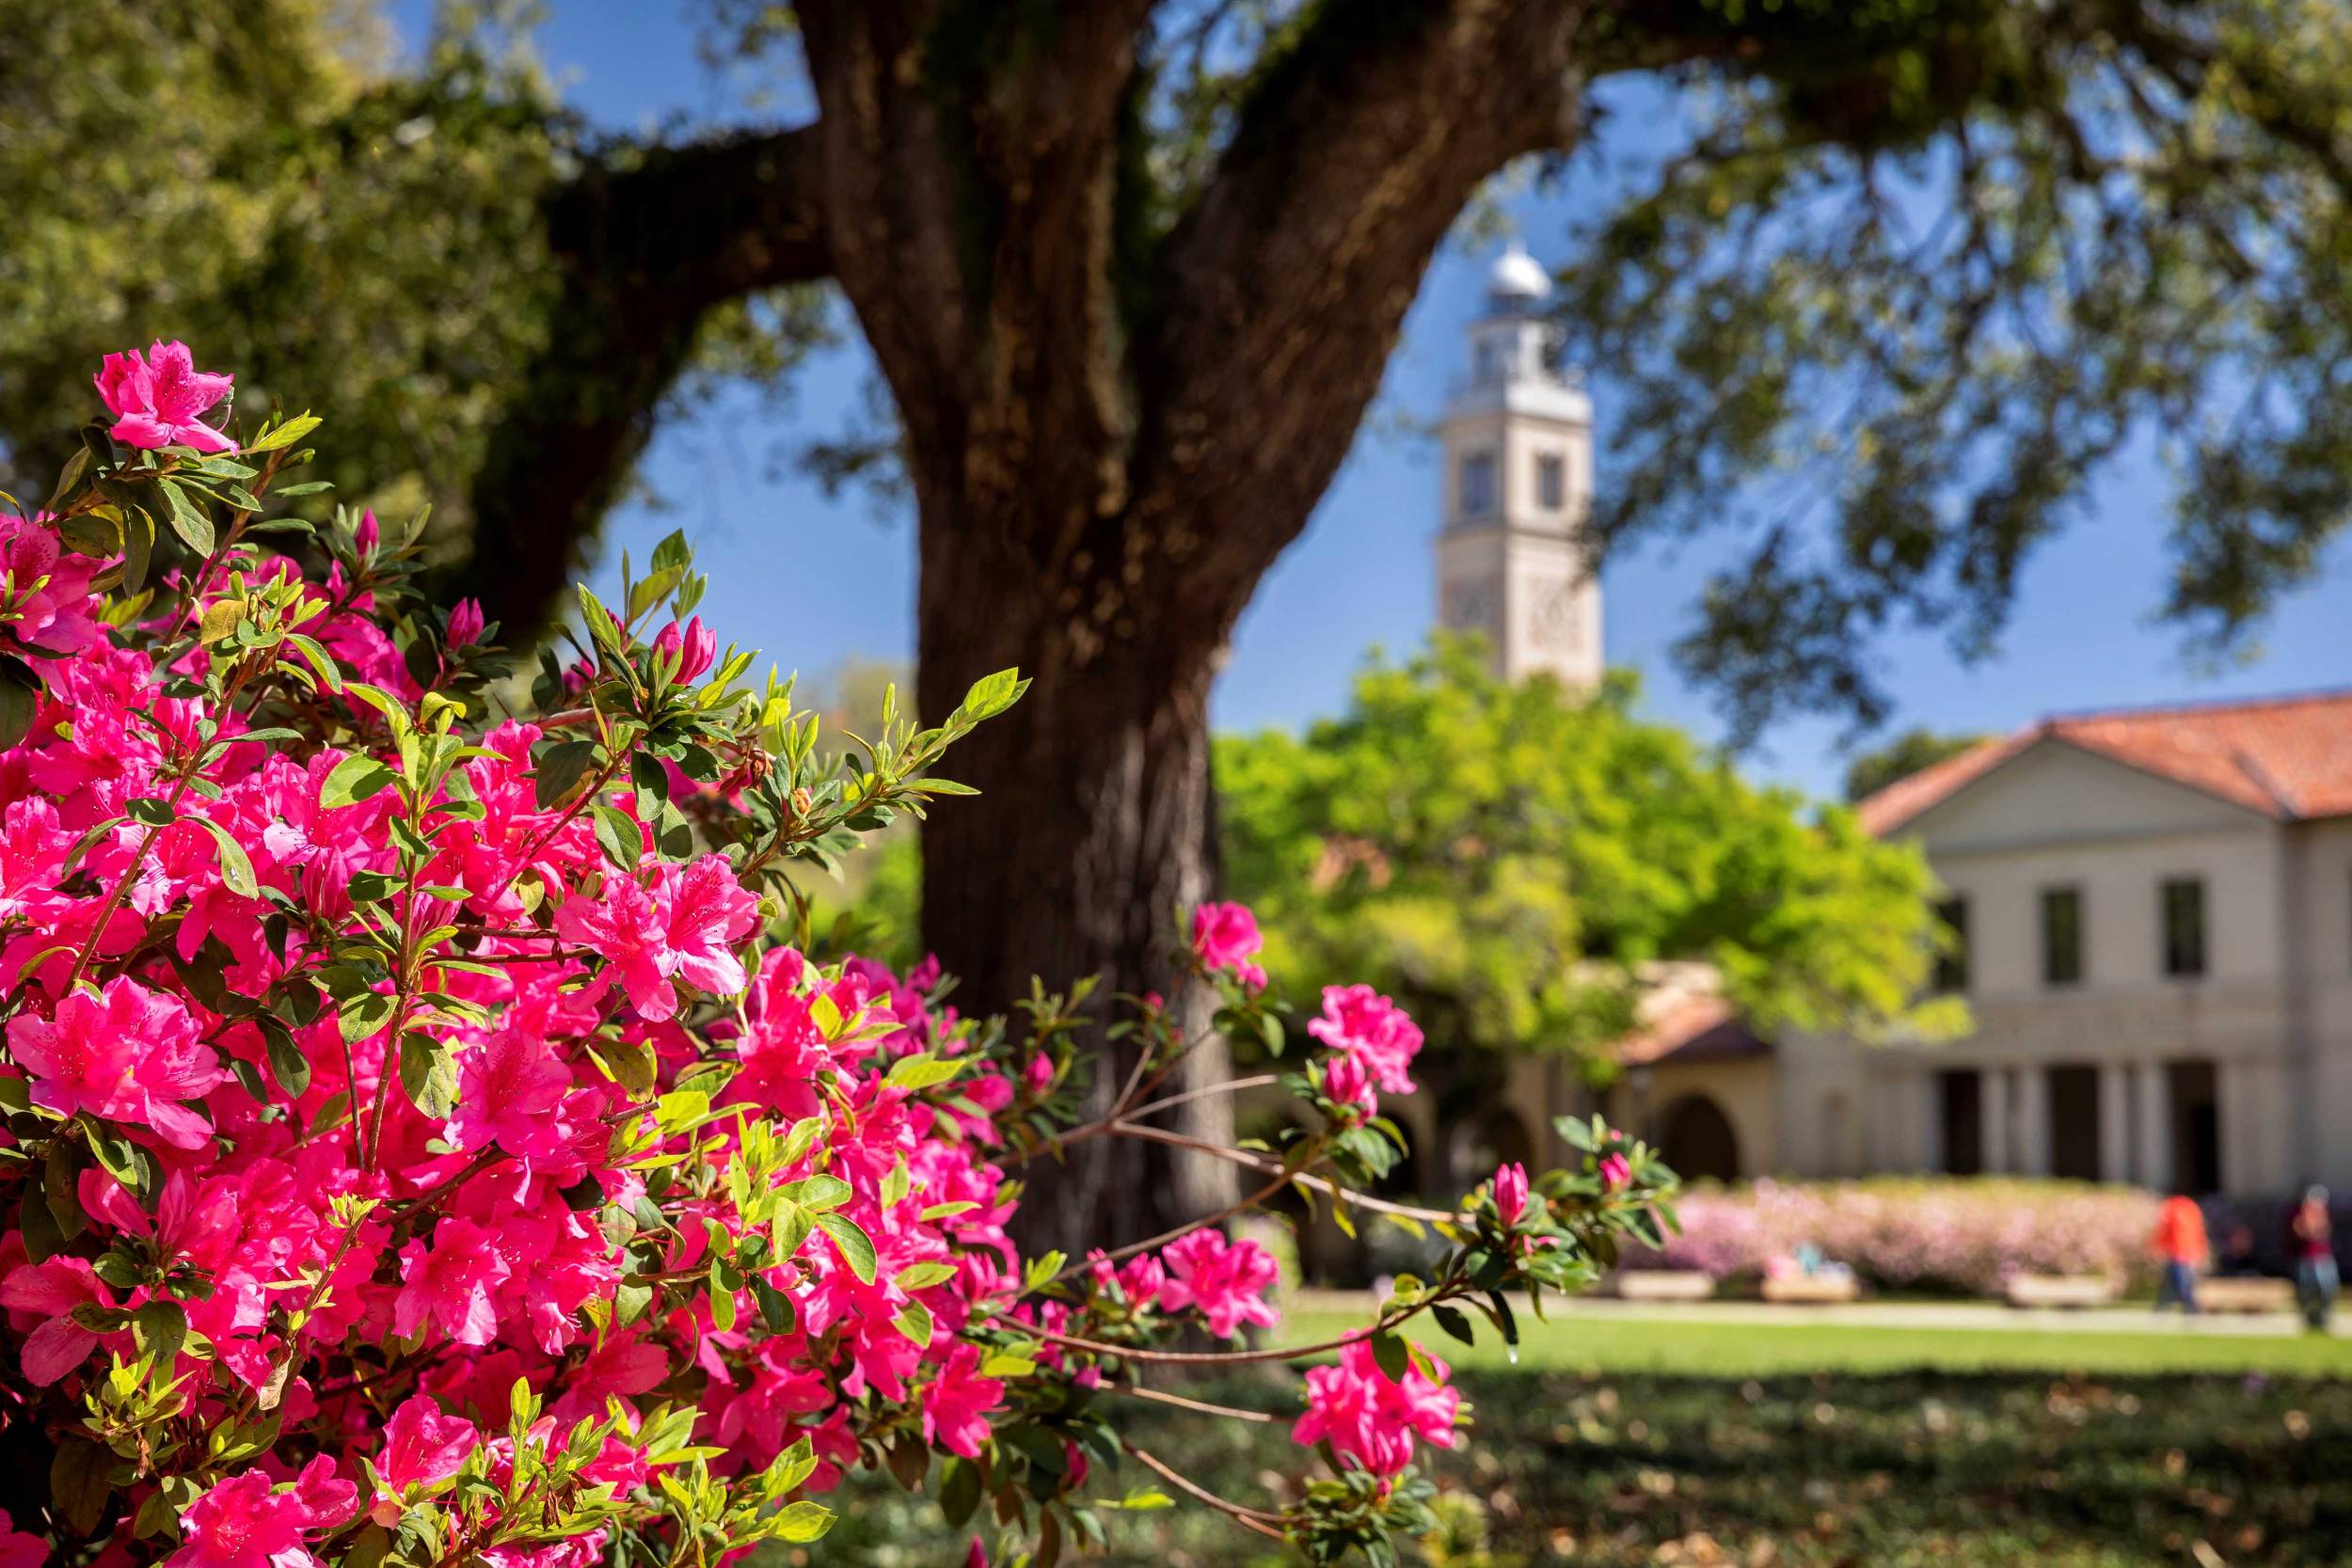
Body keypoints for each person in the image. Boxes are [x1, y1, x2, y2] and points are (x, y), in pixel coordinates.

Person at [2151, 1191, 2208, 1314]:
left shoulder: (2172, 1208)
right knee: (2175, 1286)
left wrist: (2158, 1246)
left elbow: (2166, 1230)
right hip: (2188, 1254)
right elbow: (2198, 1232)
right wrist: (2199, 1251)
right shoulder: (2192, 1208)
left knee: (2181, 1287)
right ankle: (2162, 1311)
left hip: (2178, 1254)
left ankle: (2191, 1311)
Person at [2290, 1186, 2337, 1332]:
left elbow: (2323, 1230)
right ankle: (2309, 1318)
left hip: (2323, 1258)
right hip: (2306, 1258)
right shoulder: (2298, 1214)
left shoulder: (2323, 1213)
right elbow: (2303, 1230)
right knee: (2306, 1290)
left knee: (2327, 1288)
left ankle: (2323, 1317)